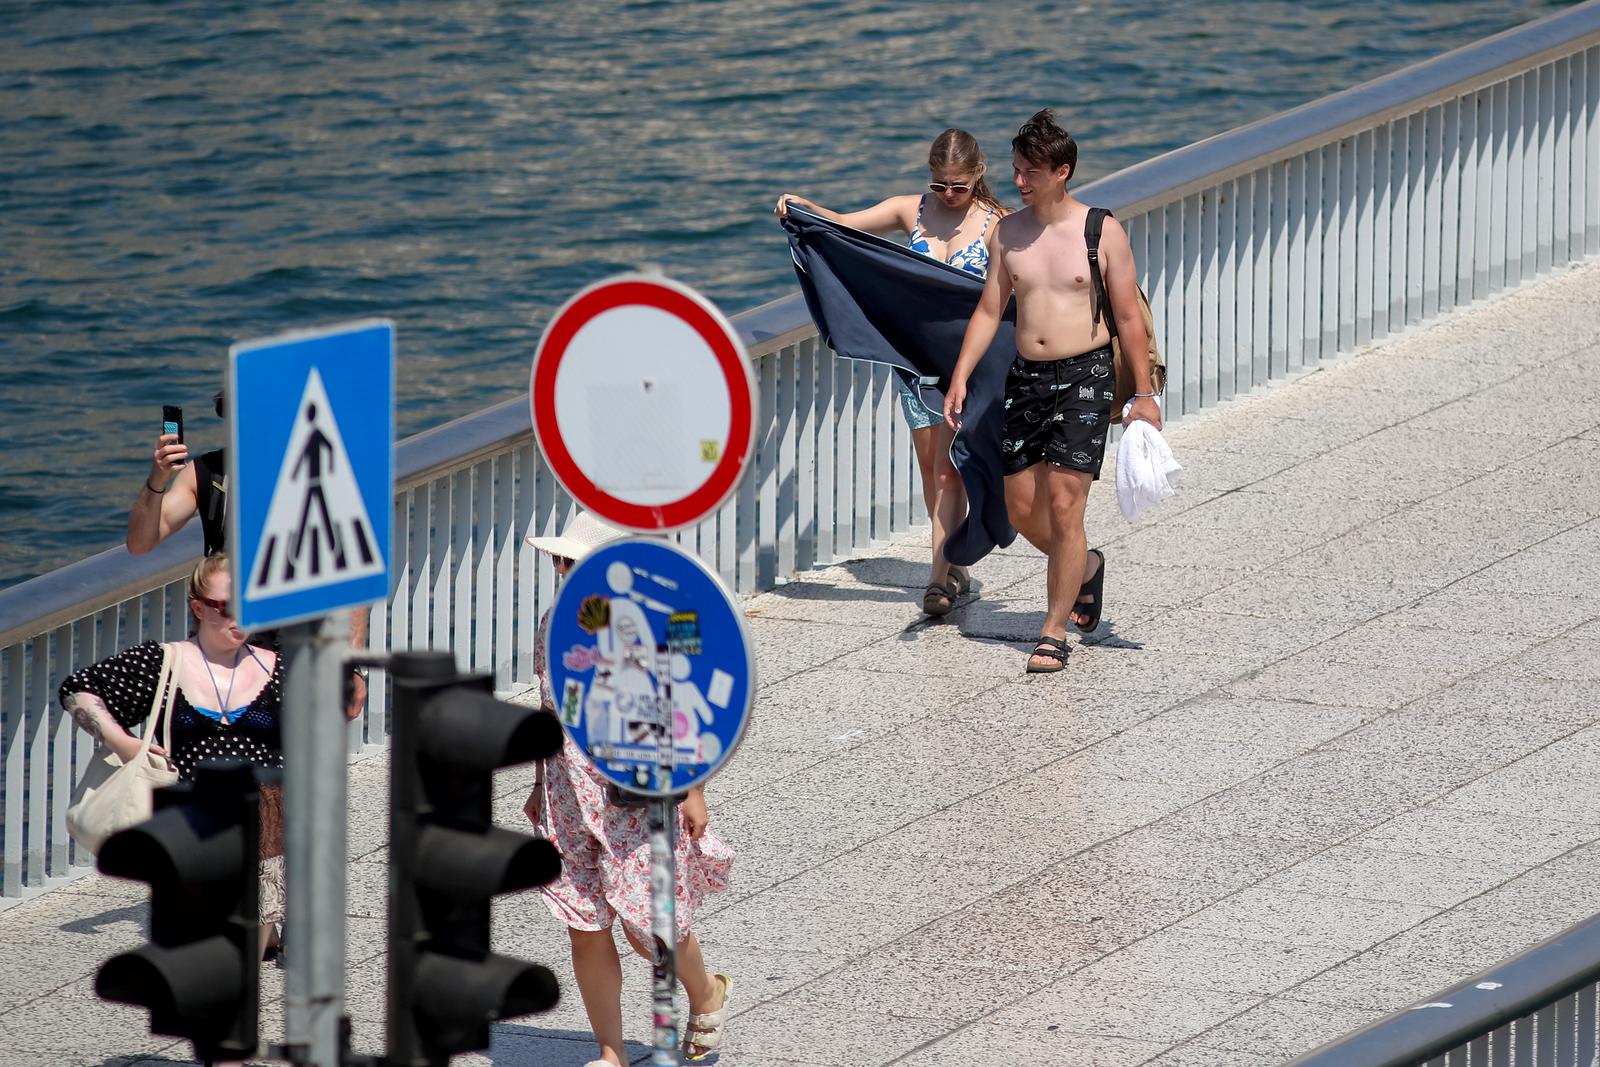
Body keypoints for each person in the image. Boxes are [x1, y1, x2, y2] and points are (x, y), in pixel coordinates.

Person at [944, 109, 1162, 674]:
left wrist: (1144, 393)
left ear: (1061, 171)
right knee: (1022, 508)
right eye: (1016, 170)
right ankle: (1085, 566)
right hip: (1027, 378)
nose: (1020, 182)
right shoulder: (1007, 232)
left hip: (1086, 375)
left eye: (1032, 172)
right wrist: (962, 375)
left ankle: (1053, 630)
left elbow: (1128, 317)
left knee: (1066, 504)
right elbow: (990, 308)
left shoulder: (1100, 229)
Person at [521, 511, 733, 1066]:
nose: (563, 570)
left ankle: (705, 990)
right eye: (559, 561)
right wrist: (540, 785)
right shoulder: (551, 623)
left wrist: (694, 788)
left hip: (637, 793)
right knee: (585, 926)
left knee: (652, 924)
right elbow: (554, 710)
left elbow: (684, 710)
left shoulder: (653, 622)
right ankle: (611, 1054)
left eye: (573, 561)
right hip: (569, 793)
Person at [776, 128, 1009, 616]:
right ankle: (953, 562)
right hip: (914, 364)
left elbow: (1020, 288)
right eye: (940, 183)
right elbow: (841, 226)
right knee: (932, 470)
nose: (948, 194)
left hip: (967, 367)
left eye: (958, 186)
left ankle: (936, 579)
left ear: (979, 175)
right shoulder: (912, 209)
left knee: (951, 472)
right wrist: (802, 207)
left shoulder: (997, 225)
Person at [59, 554, 287, 957]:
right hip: (192, 825)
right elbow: (79, 689)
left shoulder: (280, 668)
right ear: (199, 607)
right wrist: (122, 742)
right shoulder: (165, 661)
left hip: (262, 830)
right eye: (227, 607)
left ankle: (264, 924)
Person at [128, 389, 370, 717]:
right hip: (224, 638)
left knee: (293, 754)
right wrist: (158, 479)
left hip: (299, 640)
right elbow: (140, 542)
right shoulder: (206, 473)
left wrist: (354, 664)